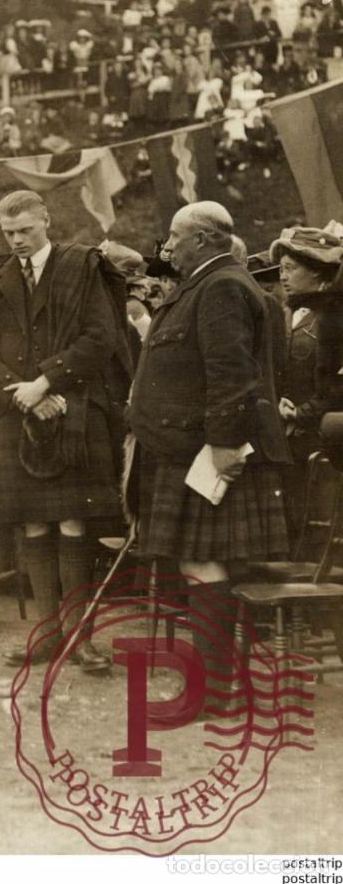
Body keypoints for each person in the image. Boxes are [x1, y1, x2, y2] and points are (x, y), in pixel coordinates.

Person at [130, 202, 290, 692]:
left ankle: (216, 687)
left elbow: (231, 373)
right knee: (198, 563)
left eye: (174, 237)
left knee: (205, 564)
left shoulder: (220, 286)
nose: (168, 247)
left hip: (208, 451)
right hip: (189, 448)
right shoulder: (210, 283)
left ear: (200, 239)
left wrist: (222, 445)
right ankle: (218, 682)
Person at [0, 190, 130, 672]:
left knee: (72, 522)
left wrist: (46, 381)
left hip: (76, 410)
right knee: (34, 522)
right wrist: (20, 394)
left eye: (26, 231)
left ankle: (81, 638)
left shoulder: (82, 267)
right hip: (18, 411)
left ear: (46, 222)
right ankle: (47, 635)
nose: (17, 240)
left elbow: (102, 338)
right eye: (8, 232)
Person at [271, 228, 343, 544]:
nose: (283, 277)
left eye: (291, 268)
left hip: (322, 439)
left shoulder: (333, 316)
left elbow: (336, 386)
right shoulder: (290, 313)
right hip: (290, 439)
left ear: (316, 271)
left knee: (319, 525)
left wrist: (300, 413)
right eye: (281, 269)